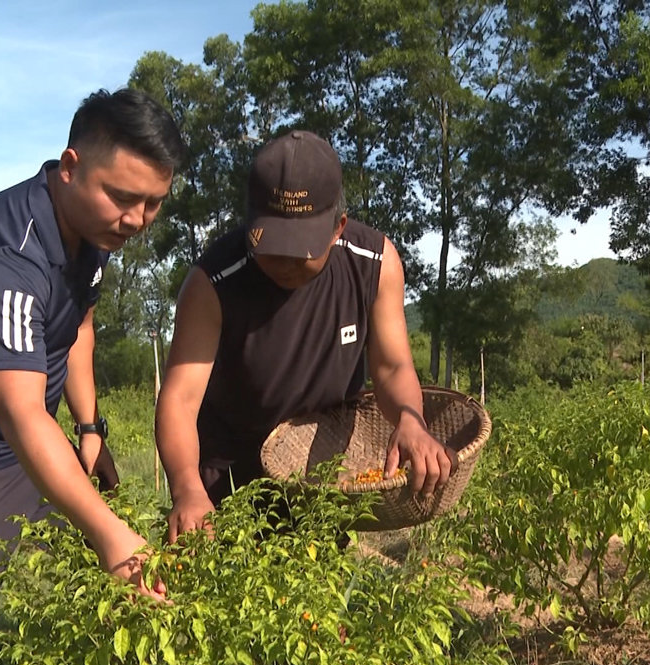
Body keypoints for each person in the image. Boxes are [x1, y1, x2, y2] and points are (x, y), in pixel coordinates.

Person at [0, 88, 186, 665]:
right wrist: (112, 536)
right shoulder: (5, 257)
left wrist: (89, 425)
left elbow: (76, 325)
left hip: (29, 441)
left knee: (80, 580)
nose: (137, 221)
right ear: (70, 167)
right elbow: (20, 411)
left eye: (153, 204)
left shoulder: (92, 234)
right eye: (123, 198)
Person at [155, 130, 455, 544]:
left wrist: (411, 419)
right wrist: (187, 489)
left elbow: (392, 365)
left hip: (321, 482)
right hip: (228, 487)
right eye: (271, 246)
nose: (284, 263)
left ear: (338, 229)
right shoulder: (213, 282)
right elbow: (179, 399)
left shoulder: (374, 263)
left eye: (301, 250)